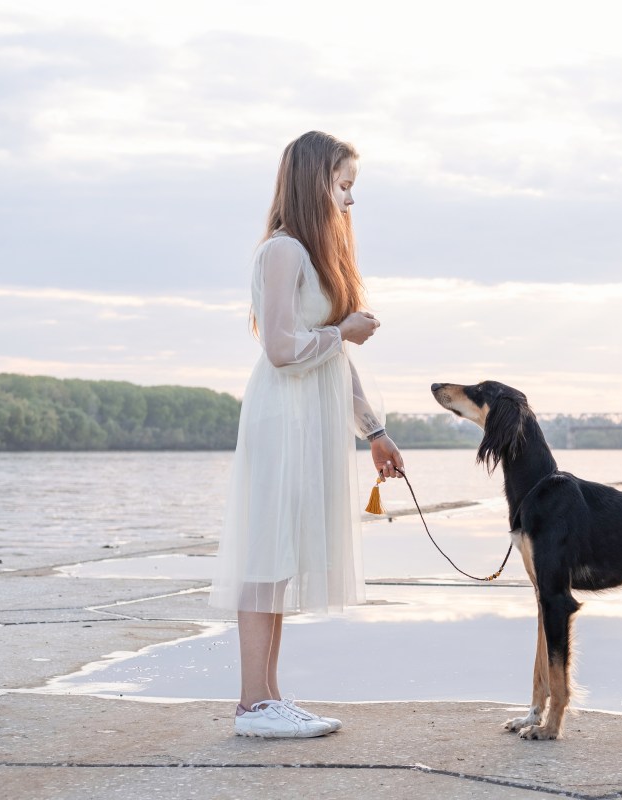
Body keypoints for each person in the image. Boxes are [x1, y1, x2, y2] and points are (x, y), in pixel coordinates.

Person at [209, 131, 404, 738]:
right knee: (265, 555)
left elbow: (333, 364)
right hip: (281, 418)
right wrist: (343, 331)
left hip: (311, 419)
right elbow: (280, 350)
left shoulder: (316, 257)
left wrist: (374, 429)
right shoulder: (283, 251)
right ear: (316, 180)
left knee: (281, 558)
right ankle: (252, 705)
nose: (350, 201)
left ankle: (268, 699)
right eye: (344, 185)